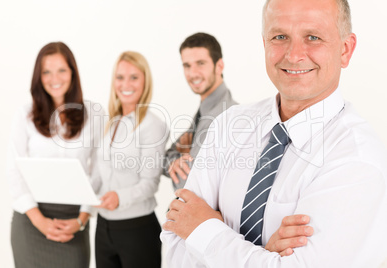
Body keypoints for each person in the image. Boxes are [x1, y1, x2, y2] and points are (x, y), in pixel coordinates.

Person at [161, 0, 387, 267]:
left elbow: (192, 231)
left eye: (313, 37)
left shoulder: (358, 160)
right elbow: (176, 244)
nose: (293, 54)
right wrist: (262, 255)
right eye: (280, 36)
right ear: (264, 43)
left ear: (345, 50)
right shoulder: (228, 125)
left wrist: (205, 230)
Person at [6, 42, 104, 268]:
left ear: (72, 72)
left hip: (74, 221)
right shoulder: (25, 115)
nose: (54, 78)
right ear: (38, 77)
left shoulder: (93, 115)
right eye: (46, 72)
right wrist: (39, 221)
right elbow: (14, 170)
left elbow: (98, 171)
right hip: (31, 220)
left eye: (61, 70)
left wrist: (81, 220)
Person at [91, 51, 168, 268]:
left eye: (134, 77)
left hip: (137, 230)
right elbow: (99, 172)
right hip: (103, 228)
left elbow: (150, 183)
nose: (126, 84)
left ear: (145, 81)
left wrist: (119, 197)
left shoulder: (152, 125)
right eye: (120, 77)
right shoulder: (111, 123)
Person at [163, 32, 237, 189]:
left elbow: (186, 183)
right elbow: (165, 159)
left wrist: (182, 154)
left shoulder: (221, 115)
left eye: (200, 63)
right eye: (187, 66)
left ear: (219, 66)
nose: (192, 73)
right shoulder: (205, 109)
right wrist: (179, 157)